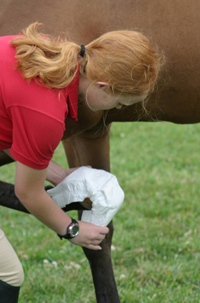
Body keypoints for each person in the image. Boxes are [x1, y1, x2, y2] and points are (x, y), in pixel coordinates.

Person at [0, 23, 161, 302]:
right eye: (120, 103)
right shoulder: (48, 114)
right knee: (8, 275)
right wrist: (72, 229)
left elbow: (15, 129)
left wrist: (59, 174)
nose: (117, 109)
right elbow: (27, 192)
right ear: (102, 86)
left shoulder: (48, 53)